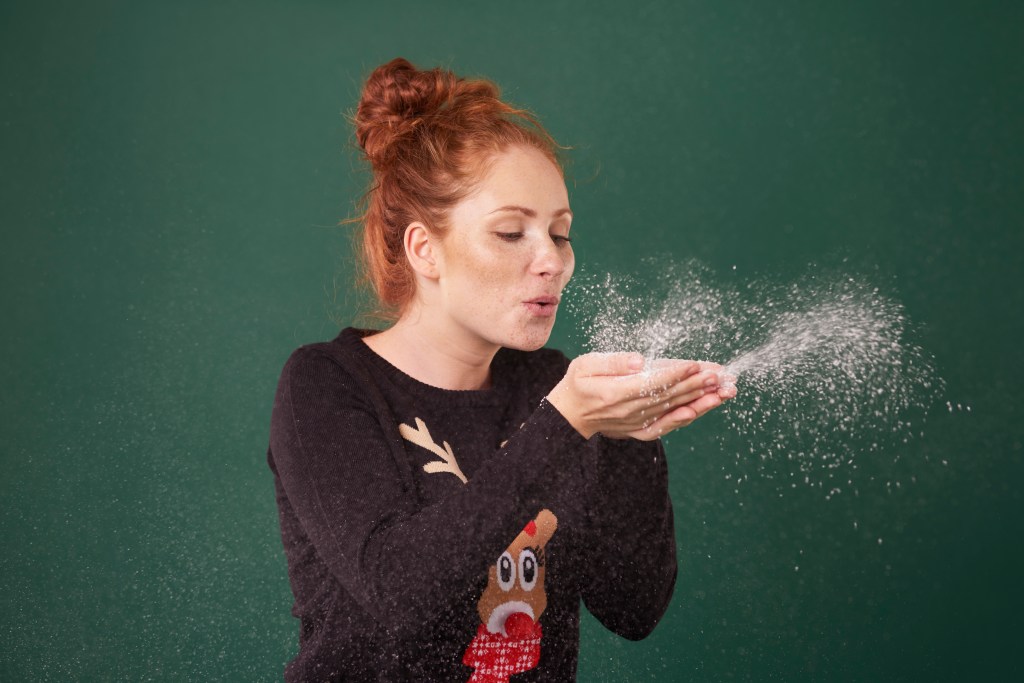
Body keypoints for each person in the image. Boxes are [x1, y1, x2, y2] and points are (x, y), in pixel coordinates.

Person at [267, 57, 736, 682]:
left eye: (561, 234)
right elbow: (397, 591)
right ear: (424, 249)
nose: (553, 262)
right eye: (512, 232)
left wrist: (628, 442)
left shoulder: (552, 386)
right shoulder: (327, 385)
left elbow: (633, 608)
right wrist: (567, 424)